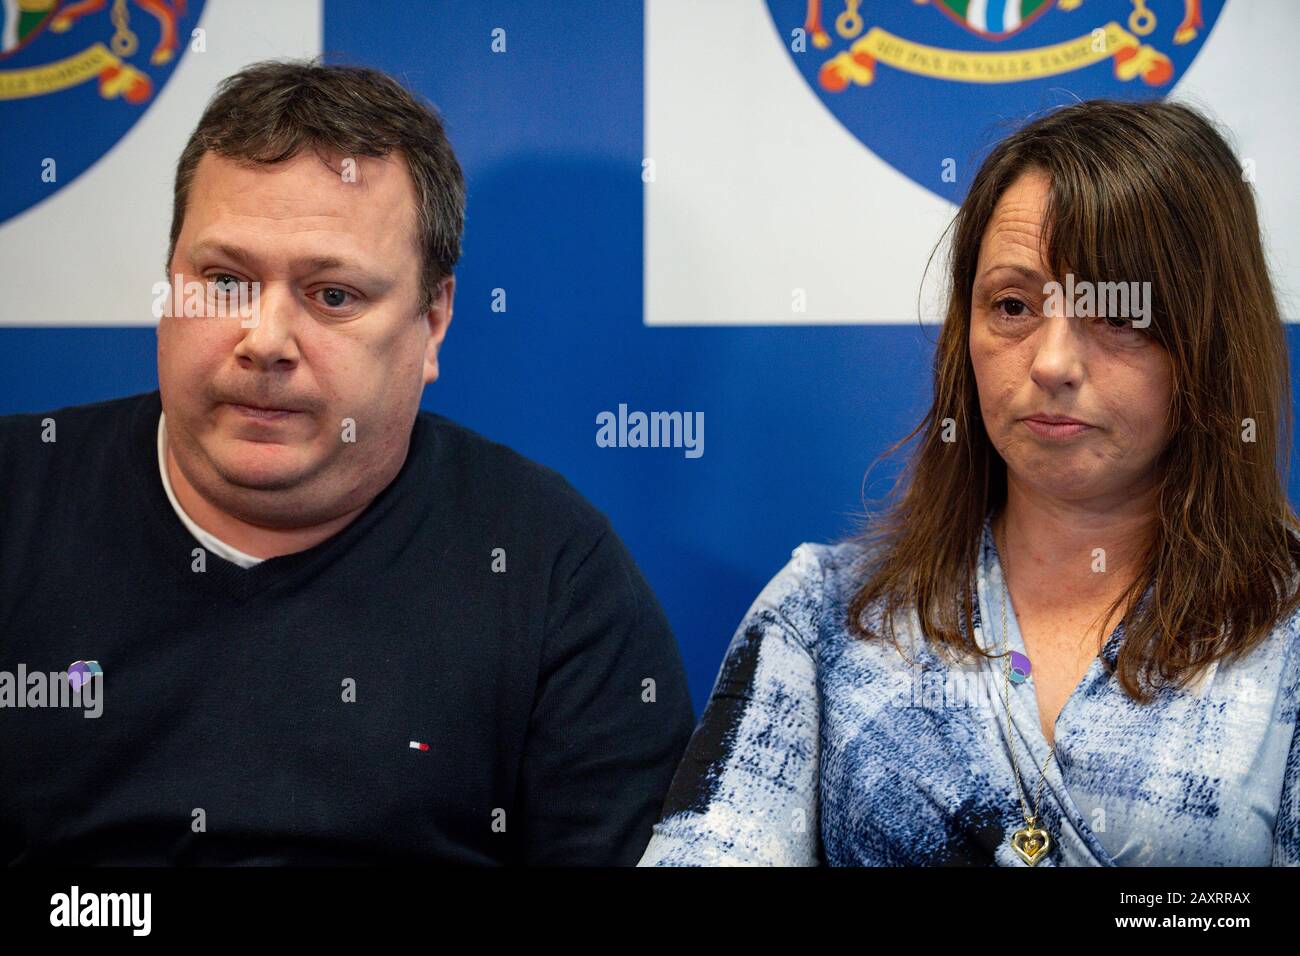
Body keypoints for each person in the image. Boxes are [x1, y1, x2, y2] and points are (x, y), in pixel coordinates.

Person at [0, 59, 694, 865]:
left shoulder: (553, 576)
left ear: (432, 324)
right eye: (224, 282)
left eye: (333, 295)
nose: (264, 341)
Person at [639, 98, 1300, 867]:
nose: (1052, 363)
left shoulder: (1283, 628)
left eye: (1118, 313)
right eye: (1013, 306)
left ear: (1208, 340)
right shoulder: (825, 614)